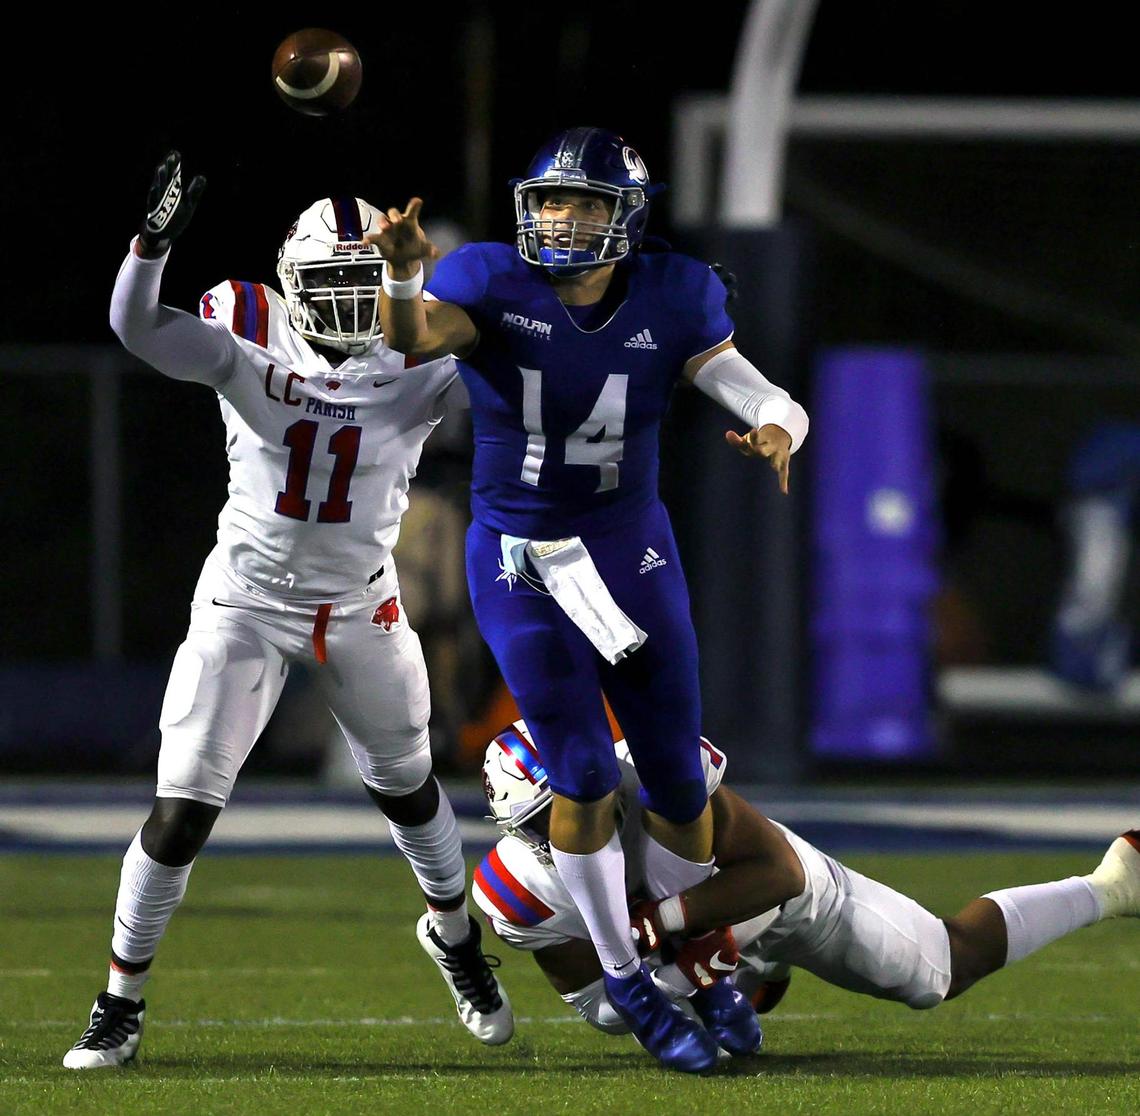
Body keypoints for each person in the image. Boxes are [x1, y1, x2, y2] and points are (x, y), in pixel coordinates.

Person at [371, 126, 809, 1073]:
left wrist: (777, 429)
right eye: (551, 200)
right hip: (520, 551)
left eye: (586, 204)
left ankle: (696, 961)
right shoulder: (489, 279)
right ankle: (625, 979)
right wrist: (404, 277)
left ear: (628, 219)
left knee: (679, 779)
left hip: (628, 548)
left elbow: (762, 392)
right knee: (576, 769)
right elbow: (411, 336)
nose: (563, 220)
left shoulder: (674, 292)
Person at [62, 153, 511, 1070]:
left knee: (412, 792)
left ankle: (458, 941)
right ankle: (119, 1002)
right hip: (247, 600)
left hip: (361, 601)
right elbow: (137, 326)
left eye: (365, 282)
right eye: (330, 283)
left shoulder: (422, 350)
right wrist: (151, 244)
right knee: (181, 812)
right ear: (288, 284)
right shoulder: (249, 324)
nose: (350, 306)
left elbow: (544, 364)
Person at [476, 722, 1140, 1049]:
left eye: (577, 798)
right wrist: (675, 976)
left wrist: (662, 926)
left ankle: (1110, 886)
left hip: (779, 898)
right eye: (546, 818)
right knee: (688, 1000)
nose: (574, 823)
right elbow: (603, 1010)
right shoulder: (519, 889)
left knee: (938, 970)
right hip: (695, 934)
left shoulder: (660, 783)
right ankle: (748, 974)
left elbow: (777, 874)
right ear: (515, 830)